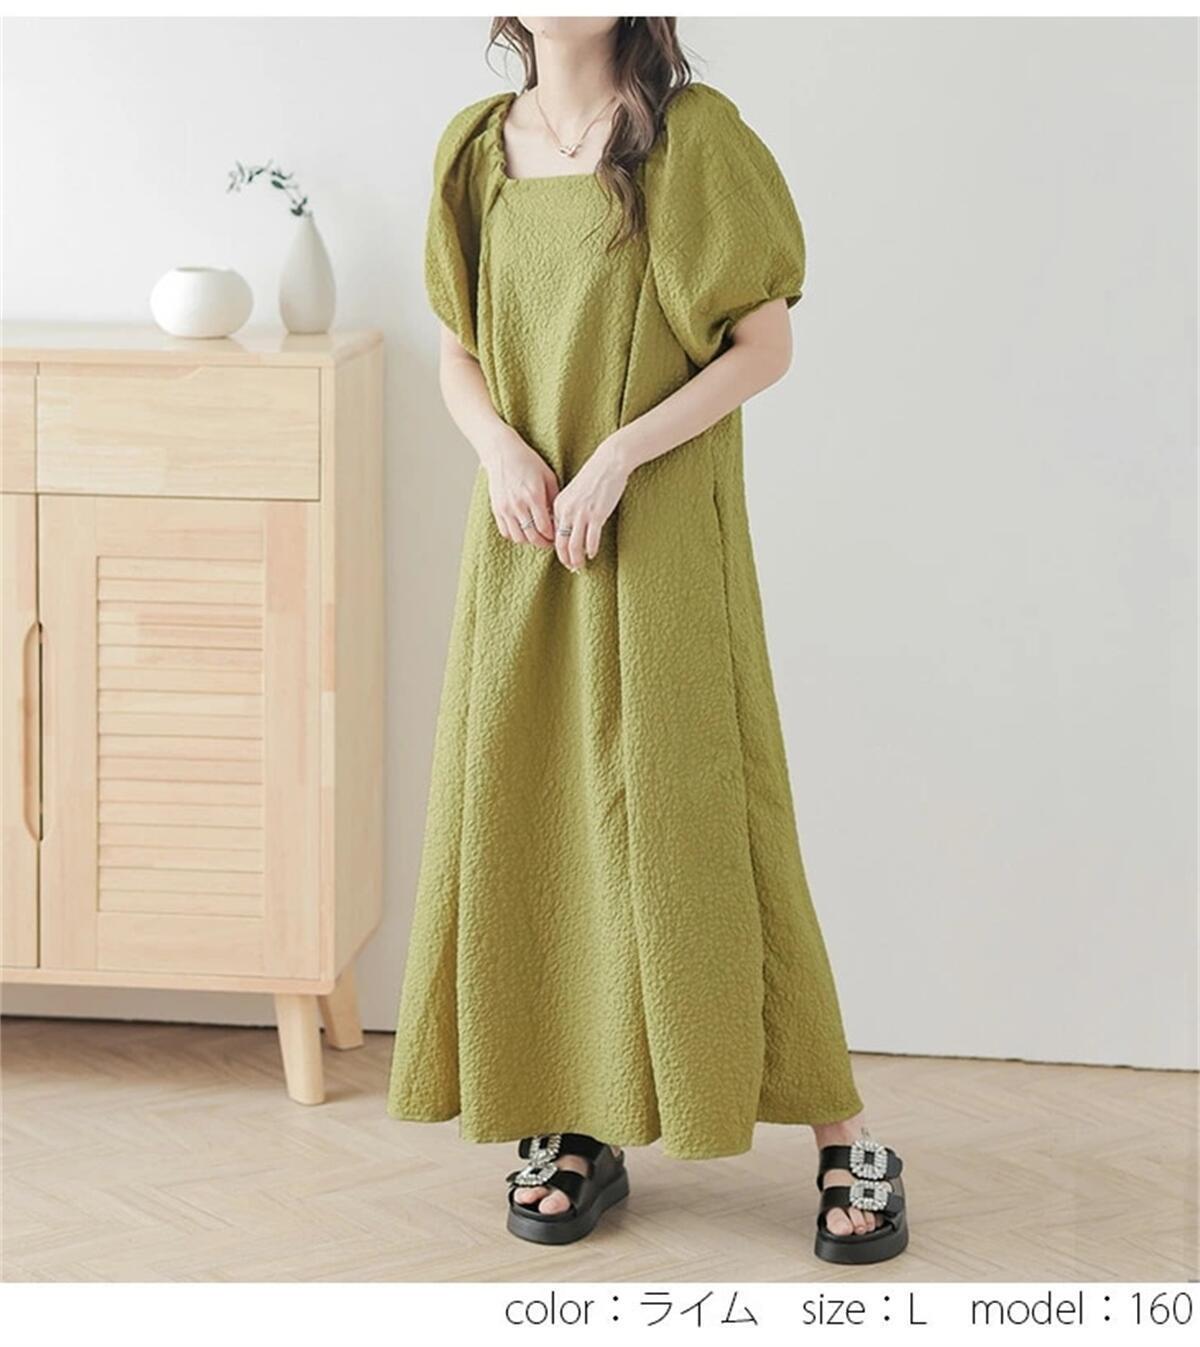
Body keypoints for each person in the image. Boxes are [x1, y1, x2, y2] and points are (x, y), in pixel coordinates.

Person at [387, 16, 908, 1265]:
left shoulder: (695, 140)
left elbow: (764, 346)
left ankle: (846, 1137)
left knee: (706, 822)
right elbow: (458, 351)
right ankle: (575, 1125)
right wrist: (499, 450)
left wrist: (621, 453)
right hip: (524, 532)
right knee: (535, 812)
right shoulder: (474, 150)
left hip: (662, 530)